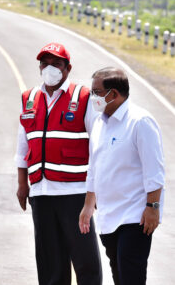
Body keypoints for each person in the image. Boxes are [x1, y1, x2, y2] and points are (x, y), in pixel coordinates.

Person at [15, 42, 102, 285]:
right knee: (50, 264)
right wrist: (23, 184)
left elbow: (98, 149)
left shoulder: (83, 97)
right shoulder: (29, 98)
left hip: (74, 194)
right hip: (41, 193)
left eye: (56, 64)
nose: (49, 68)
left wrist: (92, 197)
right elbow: (23, 146)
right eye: (45, 63)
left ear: (68, 68)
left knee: (86, 263)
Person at [79, 67, 165, 285]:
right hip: (109, 216)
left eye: (97, 92)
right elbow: (94, 167)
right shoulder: (99, 123)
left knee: (131, 277)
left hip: (135, 216)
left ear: (114, 94)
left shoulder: (140, 122)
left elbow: (154, 170)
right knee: (119, 276)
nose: (92, 97)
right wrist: (88, 205)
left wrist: (153, 207)